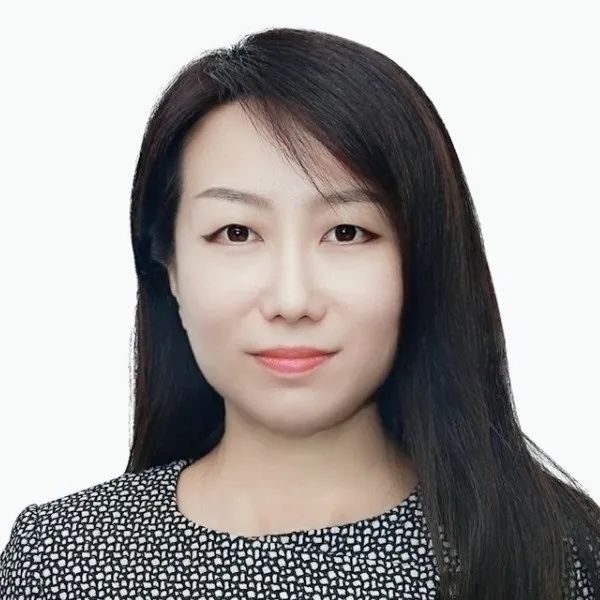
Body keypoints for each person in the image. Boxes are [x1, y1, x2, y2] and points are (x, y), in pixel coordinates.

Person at [1, 26, 598, 600]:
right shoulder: (61, 560)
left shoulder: (558, 553)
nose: (292, 301)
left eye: (346, 232)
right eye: (237, 232)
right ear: (170, 269)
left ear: (421, 262)